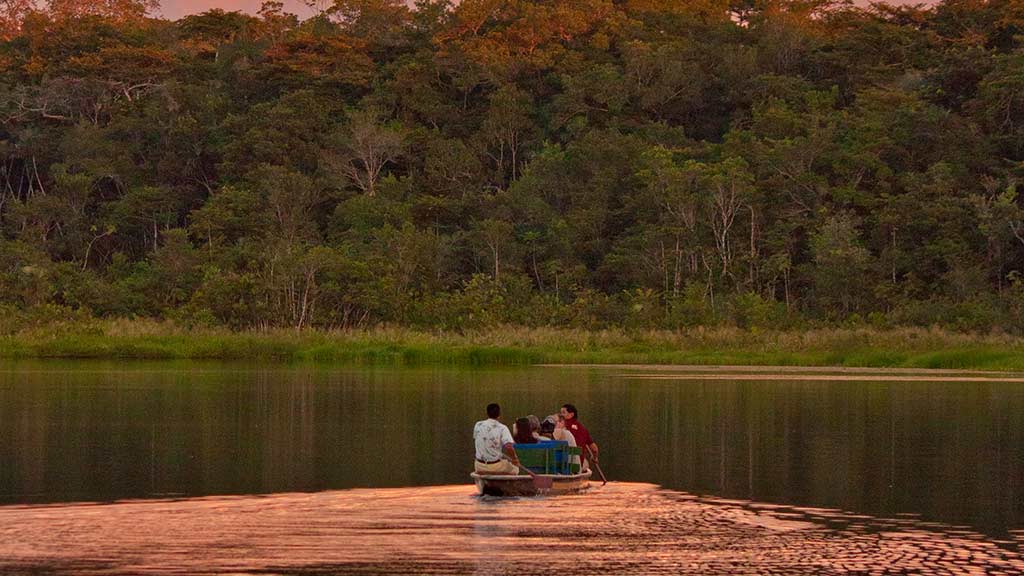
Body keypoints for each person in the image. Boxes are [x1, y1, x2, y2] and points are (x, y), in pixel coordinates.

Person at [473, 403, 524, 475]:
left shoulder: (478, 425)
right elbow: (508, 446)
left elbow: (478, 439)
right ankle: (506, 484)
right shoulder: (502, 428)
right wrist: (515, 459)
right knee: (515, 469)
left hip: (479, 466)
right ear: (499, 414)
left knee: (502, 462)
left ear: (487, 413)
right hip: (495, 466)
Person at [560, 403, 598, 470]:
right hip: (577, 465)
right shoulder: (583, 429)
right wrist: (594, 457)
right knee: (585, 463)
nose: (561, 415)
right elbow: (594, 449)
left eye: (563, 412)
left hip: (563, 463)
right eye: (561, 412)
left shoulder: (562, 426)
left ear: (571, 414)